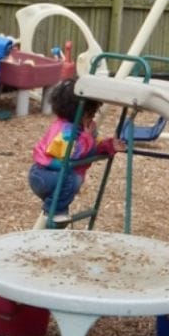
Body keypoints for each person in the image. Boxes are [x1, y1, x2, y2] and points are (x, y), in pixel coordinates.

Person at [28, 78, 125, 228]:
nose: (93, 117)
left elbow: (94, 146)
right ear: (80, 113)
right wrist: (87, 136)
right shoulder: (65, 130)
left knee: (72, 182)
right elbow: (74, 154)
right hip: (43, 175)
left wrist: (110, 145)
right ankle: (53, 212)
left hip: (55, 175)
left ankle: (56, 218)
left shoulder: (82, 128)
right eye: (91, 114)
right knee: (73, 180)